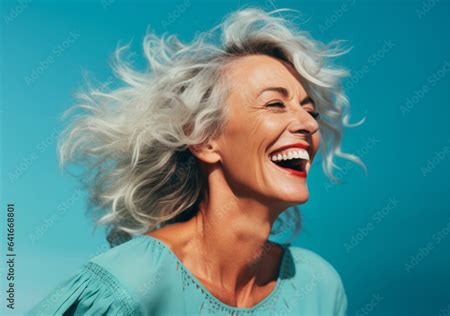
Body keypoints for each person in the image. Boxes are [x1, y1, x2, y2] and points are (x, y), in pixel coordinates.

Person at [28, 7, 365, 315]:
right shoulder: (131, 284)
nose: (308, 124)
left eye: (310, 111)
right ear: (204, 139)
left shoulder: (318, 287)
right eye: (275, 105)